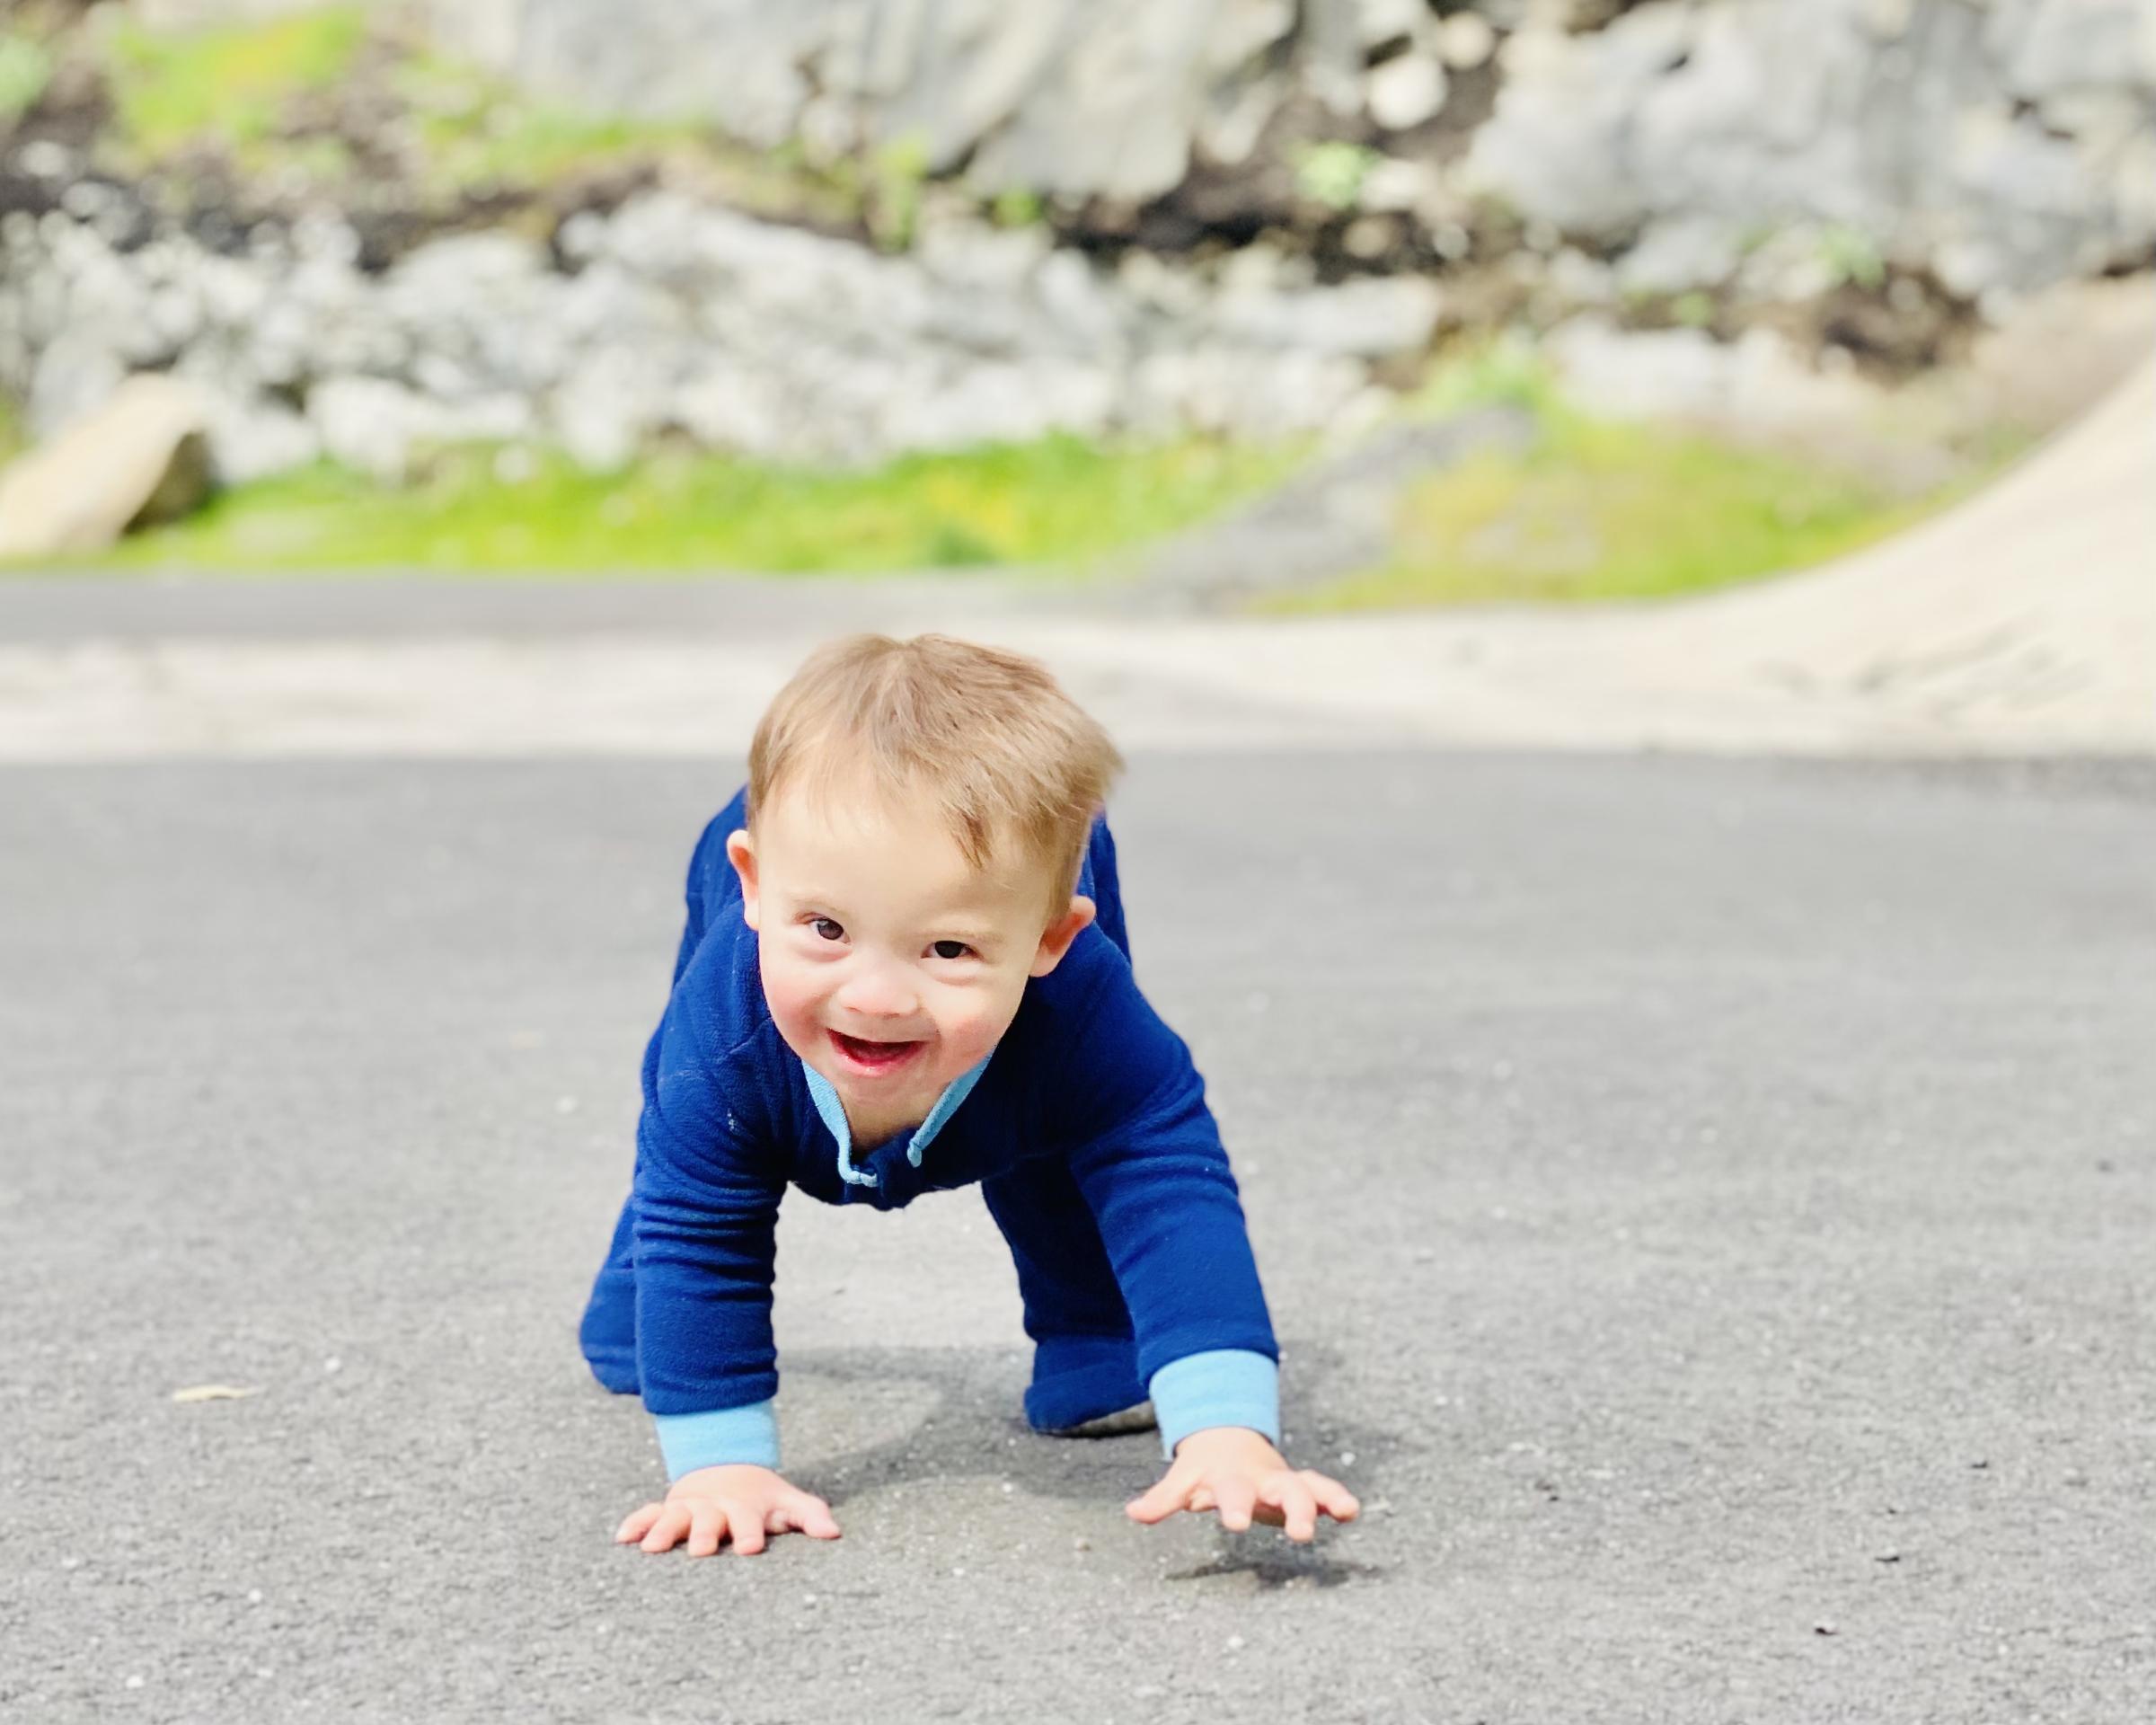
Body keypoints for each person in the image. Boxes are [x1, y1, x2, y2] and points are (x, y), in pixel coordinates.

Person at [579, 632, 1358, 1557]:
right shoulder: (725, 1039)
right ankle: (630, 1301)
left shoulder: (1082, 1014)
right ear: (754, 887)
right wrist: (718, 1465)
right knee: (692, 1161)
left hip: (1027, 1050)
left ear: (1050, 939)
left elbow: (1170, 1193)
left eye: (946, 948)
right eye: (826, 929)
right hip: (744, 1083)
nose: (875, 995)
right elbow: (699, 1218)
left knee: (1059, 1135)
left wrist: (1229, 1428)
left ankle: (1098, 1339)